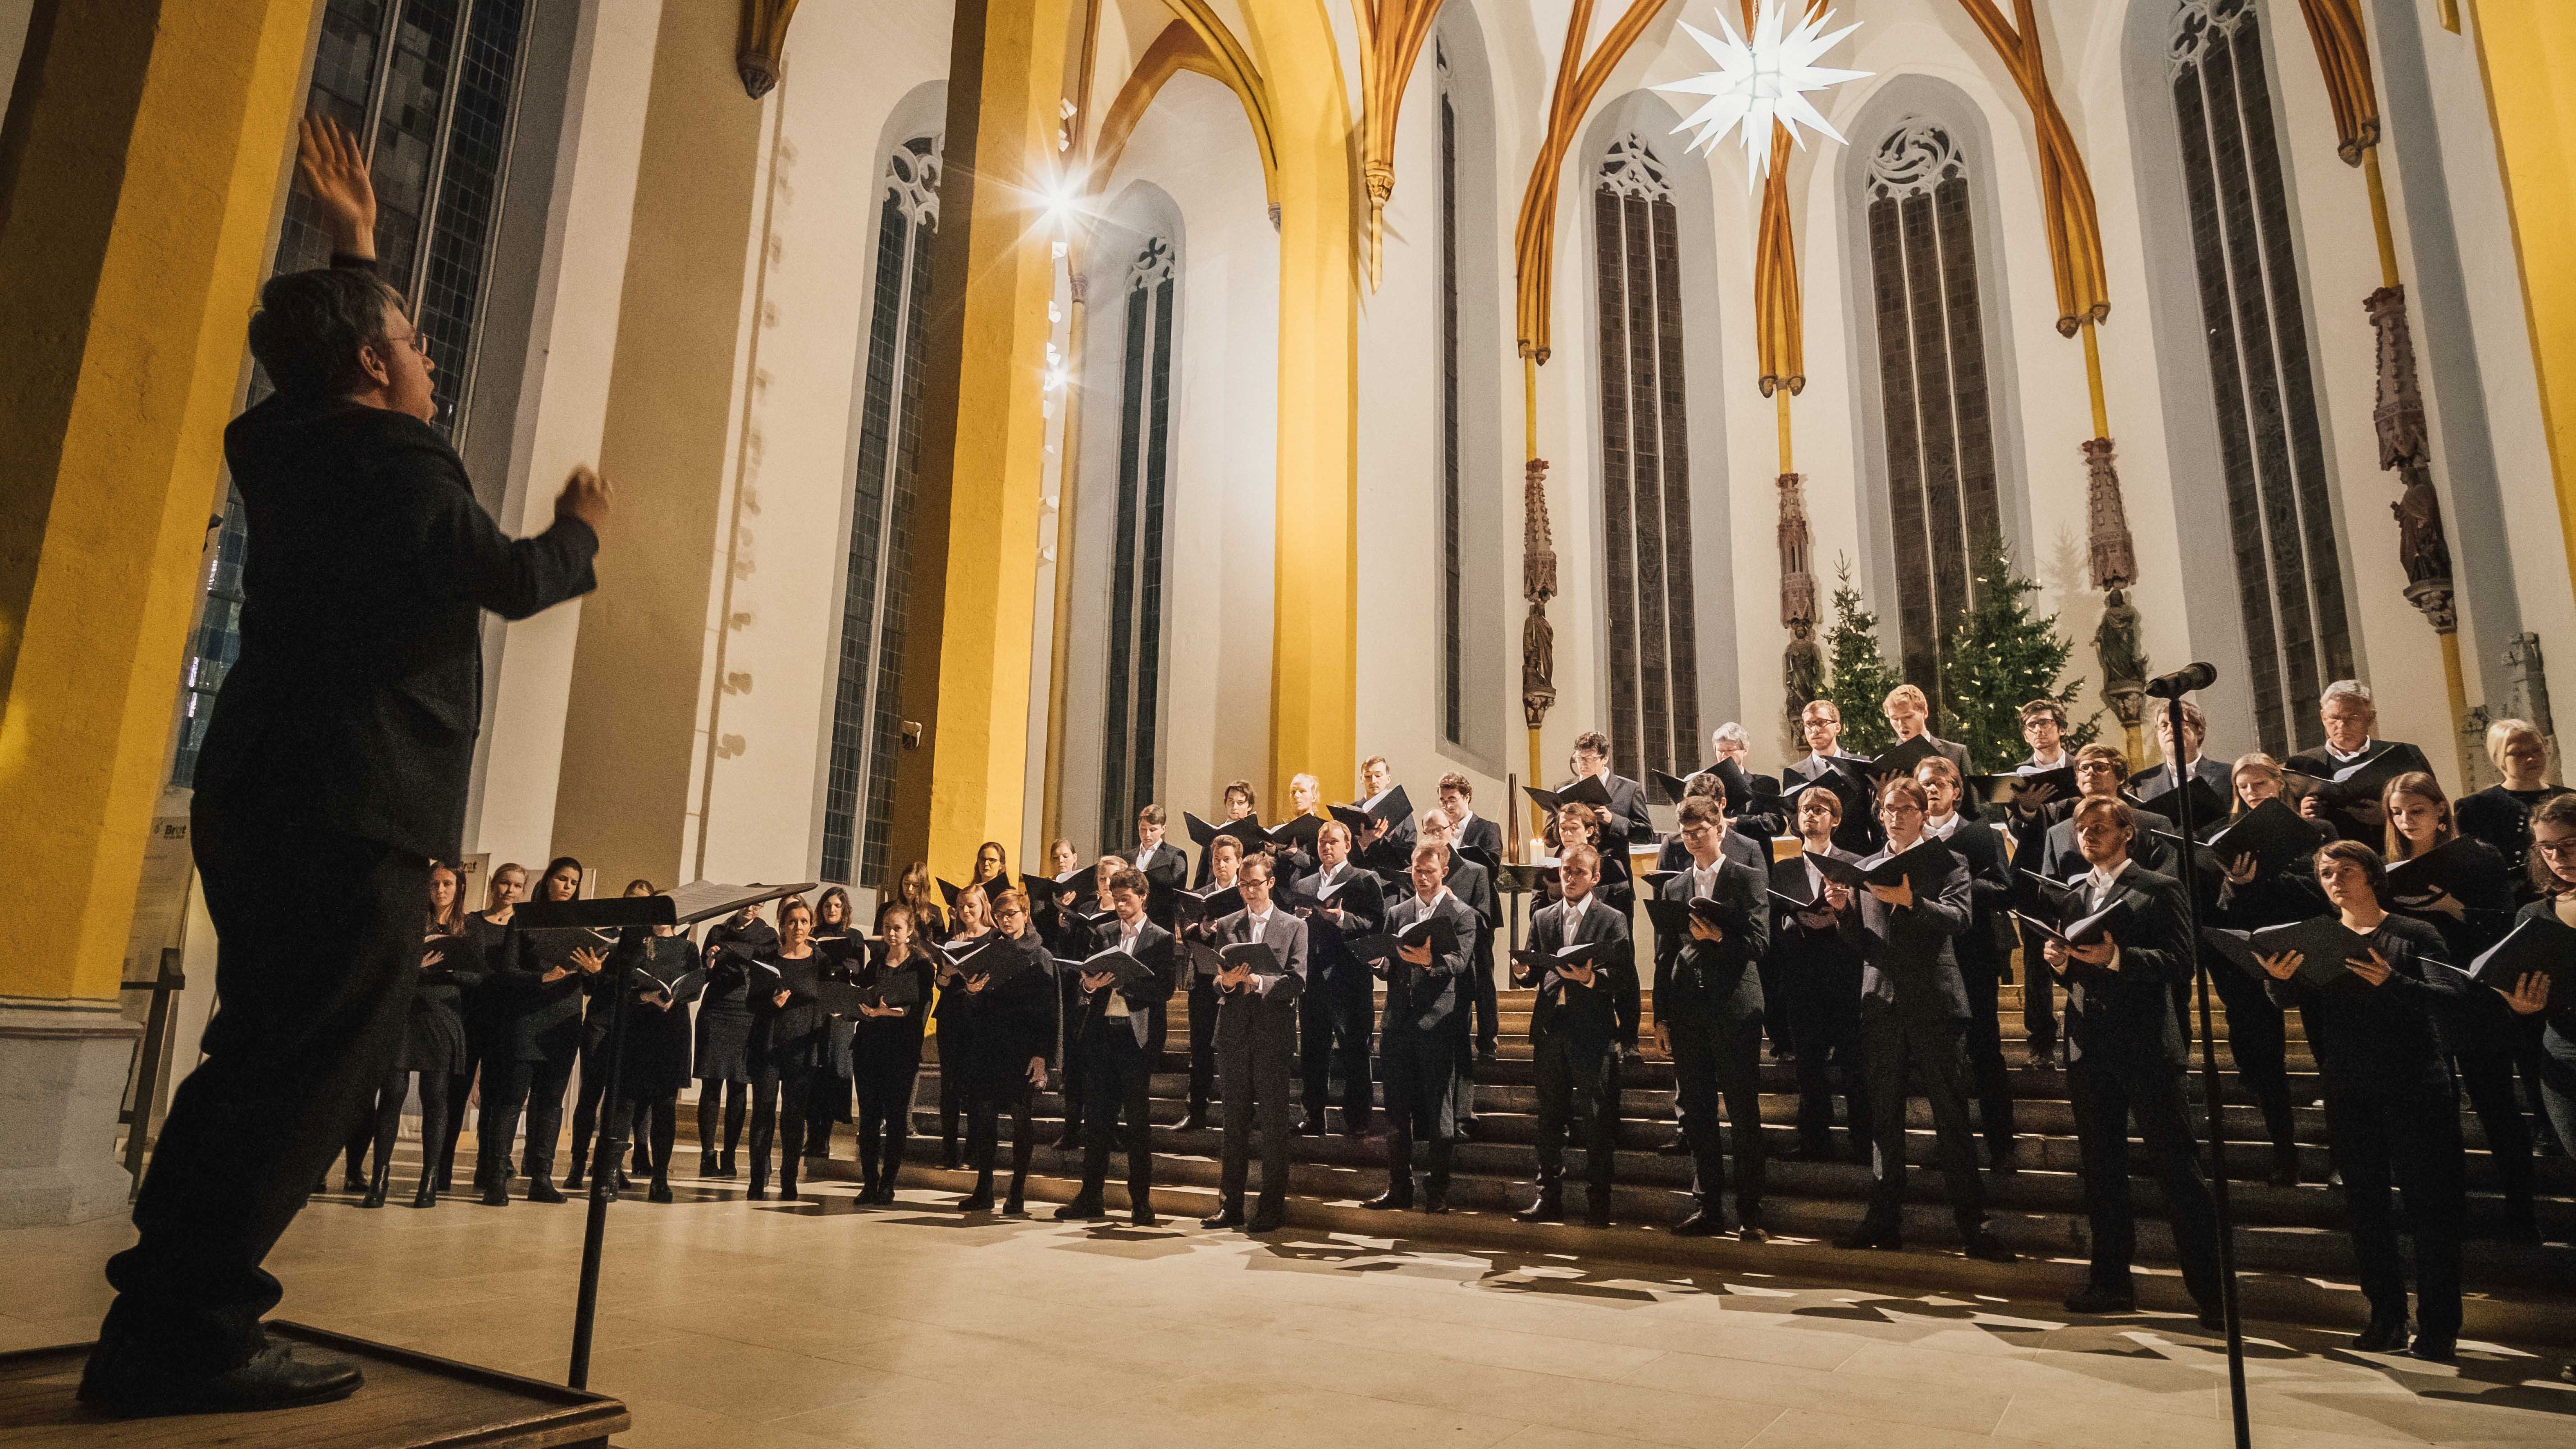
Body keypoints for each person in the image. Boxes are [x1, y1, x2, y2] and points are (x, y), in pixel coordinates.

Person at [82, 114, 609, 1418]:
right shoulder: (402, 457)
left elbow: (336, 379)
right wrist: (579, 529)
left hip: (259, 781)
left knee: (257, 1045)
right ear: (376, 364)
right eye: (416, 346)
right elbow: (511, 576)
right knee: (315, 1064)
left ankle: (165, 1302)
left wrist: (355, 245)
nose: (432, 363)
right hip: (357, 800)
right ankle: (190, 1326)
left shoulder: (288, 443)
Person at [2256, 841, 2471, 1360]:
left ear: (2372, 876)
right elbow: (2289, 998)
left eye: (2345, 870)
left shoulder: (2413, 933)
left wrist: (2394, 980)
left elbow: (2455, 999)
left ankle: (2438, 1325)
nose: (2334, 880)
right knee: (2366, 1207)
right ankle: (2386, 1317)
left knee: (2429, 1207)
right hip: (2349, 1085)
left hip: (2416, 1083)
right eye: (2325, 873)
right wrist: (2277, 980)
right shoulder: (2320, 938)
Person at [2039, 799, 2224, 1324]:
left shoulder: (2158, 888)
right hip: (2087, 1046)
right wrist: (2059, 964)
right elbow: (2073, 971)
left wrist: (2117, 958)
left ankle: (2212, 1295)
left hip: (2145, 1045)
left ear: (2128, 833)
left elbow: (2181, 960)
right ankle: (2110, 1283)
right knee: (2101, 1171)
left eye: (2099, 827)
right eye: (2081, 828)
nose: (2088, 834)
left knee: (2178, 1169)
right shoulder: (2073, 894)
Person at [1836, 778, 2015, 1262]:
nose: (1893, 816)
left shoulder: (1947, 861)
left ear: (1922, 812)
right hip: (1881, 1001)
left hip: (1936, 1002)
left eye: (1904, 808)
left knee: (1951, 1116)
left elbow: (1959, 919)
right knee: (1884, 1117)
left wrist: (1911, 900)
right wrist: (1842, 913)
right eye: (1887, 808)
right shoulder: (1866, 867)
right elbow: (1863, 944)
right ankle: (1882, 1219)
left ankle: (1973, 1226)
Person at [2381, 772, 2535, 1241]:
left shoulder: (2477, 857)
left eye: (2417, 810)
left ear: (2441, 810)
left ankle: (2522, 1212)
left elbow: (2505, 928)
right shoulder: (2387, 866)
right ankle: (2446, 1212)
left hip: (2473, 997)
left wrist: (2453, 908)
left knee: (2496, 1105)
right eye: (2397, 812)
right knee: (2431, 1114)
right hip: (2418, 997)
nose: (2406, 820)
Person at [2203, 754, 2325, 1187]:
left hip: (2306, 944)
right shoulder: (2225, 837)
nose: (2252, 792)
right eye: (2244, 786)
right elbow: (2220, 906)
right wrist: (2234, 885)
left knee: (2329, 1052)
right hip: (2253, 952)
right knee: (2262, 1057)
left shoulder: (2315, 831)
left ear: (2280, 783)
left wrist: (2264, 878)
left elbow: (2320, 892)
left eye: (2260, 783)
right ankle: (2284, 1151)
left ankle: (2340, 1155)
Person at [1651, 800, 1771, 1238]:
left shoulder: (1746, 877)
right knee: (1699, 1115)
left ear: (1719, 829)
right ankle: (1707, 1207)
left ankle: (1750, 1212)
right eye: (1685, 833)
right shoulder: (1676, 885)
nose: (1692, 839)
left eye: (1700, 831)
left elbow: (1760, 943)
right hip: (1688, 1011)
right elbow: (1665, 954)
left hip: (1735, 1008)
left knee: (1743, 1113)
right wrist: (1660, 1016)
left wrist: (1719, 935)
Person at [348, 864, 482, 1210]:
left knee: (435, 1097)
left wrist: (446, 966)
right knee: (392, 1094)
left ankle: (430, 1181)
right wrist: (414, 969)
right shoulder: (409, 923)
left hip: (442, 1017)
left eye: (448, 883)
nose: (440, 890)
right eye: (434, 884)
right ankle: (378, 1179)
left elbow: (477, 978)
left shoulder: (469, 928)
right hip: (404, 1016)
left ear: (460, 887)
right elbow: (382, 967)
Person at [1516, 846, 1633, 1227]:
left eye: (1579, 871)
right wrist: (1521, 971)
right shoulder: (1544, 915)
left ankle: (1598, 1202)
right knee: (1549, 1118)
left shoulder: (1612, 919)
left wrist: (1589, 978)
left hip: (1593, 1030)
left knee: (1597, 1119)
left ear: (1595, 877)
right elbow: (1535, 971)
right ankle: (1548, 1196)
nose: (1570, 877)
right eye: (1566, 870)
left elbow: (1624, 978)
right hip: (1551, 1028)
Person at [1055, 869, 1175, 1225]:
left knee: (1137, 1124)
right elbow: (1086, 982)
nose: (1120, 905)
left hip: (1136, 1039)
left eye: (1126, 899)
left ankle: (1141, 1202)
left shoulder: (1161, 938)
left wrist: (1127, 984)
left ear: (1143, 898)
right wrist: (1091, 986)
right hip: (1102, 1034)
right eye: (1115, 898)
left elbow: (1165, 989)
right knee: (1098, 1122)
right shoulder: (1103, 932)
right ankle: (1091, 1197)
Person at [1366, 844, 1480, 1214]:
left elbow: (1461, 961)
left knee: (1438, 1110)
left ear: (1443, 870)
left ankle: (1437, 1191)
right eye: (1417, 871)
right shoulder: (1398, 911)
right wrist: (1377, 961)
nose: (1423, 878)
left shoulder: (1462, 914)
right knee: (1396, 1112)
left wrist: (1431, 961)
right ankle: (1399, 1186)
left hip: (1437, 1022)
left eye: (1430, 871)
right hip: (1398, 1023)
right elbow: (1389, 965)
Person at [1918, 757, 2017, 1173]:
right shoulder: (1912, 836)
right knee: (1943, 1060)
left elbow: (2005, 889)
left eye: (1941, 783)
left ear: (1957, 791)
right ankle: (1952, 1143)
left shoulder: (1978, 833)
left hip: (1973, 955)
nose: (1932, 790)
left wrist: (1956, 881)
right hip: (1929, 959)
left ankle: (2002, 1146)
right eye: (1924, 784)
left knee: (1985, 1052)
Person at [480, 857, 594, 1207]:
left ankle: (541, 1178)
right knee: (511, 1099)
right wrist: (541, 978)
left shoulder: (583, 926)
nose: (568, 886)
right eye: (562, 879)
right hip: (527, 1019)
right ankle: (496, 1178)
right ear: (547, 881)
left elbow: (590, 986)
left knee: (550, 1103)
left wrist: (593, 971)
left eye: (574, 882)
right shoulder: (524, 918)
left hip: (563, 1022)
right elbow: (508, 970)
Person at [1203, 856, 1307, 1233]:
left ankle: (1271, 1207)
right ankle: (1229, 1204)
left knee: (1274, 1125)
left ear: (1271, 882)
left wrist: (1260, 983)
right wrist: (1228, 981)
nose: (1249, 890)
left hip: (1272, 1035)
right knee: (1234, 1123)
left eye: (1256, 883)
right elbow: (1216, 981)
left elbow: (1297, 980)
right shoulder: (1229, 924)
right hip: (1232, 1034)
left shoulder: (1294, 926)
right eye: (1244, 884)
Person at [1775, 786, 1870, 1163]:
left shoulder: (1854, 863)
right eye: (1804, 809)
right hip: (1802, 973)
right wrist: (1792, 919)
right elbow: (1773, 916)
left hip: (1845, 970)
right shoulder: (1784, 868)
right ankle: (1814, 1139)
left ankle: (1864, 1140)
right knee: (1808, 1064)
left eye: (1819, 809)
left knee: (1854, 1061)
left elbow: (1870, 916)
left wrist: (1841, 914)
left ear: (1837, 819)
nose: (1811, 815)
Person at [950, 888, 1055, 1214]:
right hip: (989, 1044)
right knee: (984, 1120)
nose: (1006, 920)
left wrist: (1042, 1055)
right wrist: (970, 991)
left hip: (1022, 1049)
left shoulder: (1041, 955)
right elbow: (975, 1005)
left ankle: (1017, 1192)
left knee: (1021, 1121)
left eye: (1012, 913)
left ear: (1025, 913)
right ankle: (984, 1189)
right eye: (1000, 915)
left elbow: (1049, 1011)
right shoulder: (989, 950)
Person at [1293, 820, 1384, 1138]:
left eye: (1333, 842)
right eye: (1321, 842)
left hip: (1350, 976)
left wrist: (1342, 918)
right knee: (1313, 1051)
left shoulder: (1363, 880)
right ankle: (1312, 1115)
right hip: (1314, 976)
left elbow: (1375, 924)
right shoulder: (1304, 884)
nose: (1326, 847)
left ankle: (1358, 1118)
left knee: (1355, 1049)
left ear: (1348, 845)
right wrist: (1300, 921)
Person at [444, 862, 525, 1194]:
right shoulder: (472, 922)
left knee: (494, 1100)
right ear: (494, 884)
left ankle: (487, 1169)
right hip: (469, 1017)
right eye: (505, 883)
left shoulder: (522, 927)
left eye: (517, 885)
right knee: (454, 1096)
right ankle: (441, 1170)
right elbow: (459, 964)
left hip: (504, 1021)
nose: (510, 890)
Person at [1416, 808, 1498, 1135]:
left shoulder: (1475, 871)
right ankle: (1435, 1117)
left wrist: (1453, 903)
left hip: (1461, 969)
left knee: (1459, 1044)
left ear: (1452, 831)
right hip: (1424, 972)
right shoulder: (1420, 871)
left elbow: (1485, 919)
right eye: (1428, 829)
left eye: (1439, 829)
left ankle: (1463, 1114)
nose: (1434, 834)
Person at [2505, 795, 2576, 1171]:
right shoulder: (2533, 915)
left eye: (2570, 844)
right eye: (2547, 847)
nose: (2559, 856)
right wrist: (2521, 1005)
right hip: (2564, 1050)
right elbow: (2526, 994)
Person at [745, 896, 832, 1201]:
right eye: (792, 921)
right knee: (763, 1115)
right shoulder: (767, 957)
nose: (798, 927)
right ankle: (758, 1179)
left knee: (794, 1117)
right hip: (769, 1043)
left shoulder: (820, 959)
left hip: (802, 1045)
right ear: (782, 924)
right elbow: (751, 1002)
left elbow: (827, 1000)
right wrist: (771, 1002)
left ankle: (789, 1179)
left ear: (811, 926)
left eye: (804, 921)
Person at [619, 881, 701, 1204]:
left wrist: (675, 995)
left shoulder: (687, 948)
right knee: (625, 1102)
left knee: (666, 1106)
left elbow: (695, 985)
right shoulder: (636, 941)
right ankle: (612, 1170)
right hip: (639, 1026)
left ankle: (660, 1177)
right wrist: (646, 995)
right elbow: (622, 985)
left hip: (672, 1028)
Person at [850, 904, 933, 1203]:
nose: (891, 933)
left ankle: (888, 1182)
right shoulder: (876, 964)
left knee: (896, 1119)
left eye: (897, 927)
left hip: (901, 1049)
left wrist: (890, 1011)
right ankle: (869, 1182)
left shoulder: (921, 965)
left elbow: (923, 1004)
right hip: (870, 1046)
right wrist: (859, 1007)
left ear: (910, 930)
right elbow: (864, 996)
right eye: (887, 927)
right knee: (869, 1119)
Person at [2009, 701, 2076, 1069]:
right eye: (2031, 726)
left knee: (2081, 947)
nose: (2038, 730)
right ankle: (2041, 1043)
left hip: (2077, 871)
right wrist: (2028, 810)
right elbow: (2016, 830)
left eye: (2045, 723)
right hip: (2034, 876)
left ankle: (2084, 1034)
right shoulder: (2018, 775)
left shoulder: (2082, 766)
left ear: (2061, 728)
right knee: (2037, 962)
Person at [2285, 679, 2434, 842]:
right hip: (2334, 859)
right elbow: (2288, 831)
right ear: (2323, 717)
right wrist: (2304, 816)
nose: (2342, 725)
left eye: (2352, 718)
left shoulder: (2405, 755)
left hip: (2395, 852)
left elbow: (2436, 808)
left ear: (2370, 718)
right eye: (2334, 718)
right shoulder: (2301, 765)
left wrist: (2389, 815)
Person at [694, 901, 774, 1178]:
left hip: (746, 1010)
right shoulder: (718, 931)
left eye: (759, 905)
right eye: (749, 904)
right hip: (715, 1008)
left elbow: (765, 965)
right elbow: (703, 975)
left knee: (739, 1086)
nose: (752, 909)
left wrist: (737, 954)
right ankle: (707, 1156)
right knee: (711, 1083)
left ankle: (729, 1156)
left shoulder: (766, 935)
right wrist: (710, 962)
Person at [2457, 718, 2570, 901]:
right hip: (2509, 907)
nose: (2532, 758)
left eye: (2537, 749)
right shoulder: (2476, 807)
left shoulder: (2568, 799)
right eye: (2518, 753)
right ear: (2498, 760)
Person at [1175, 835, 1245, 1131]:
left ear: (1239, 862)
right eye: (1216, 859)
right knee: (1200, 1047)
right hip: (1204, 980)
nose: (1221, 865)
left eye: (1227, 859)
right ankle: (1196, 1110)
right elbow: (1185, 932)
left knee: (1237, 1049)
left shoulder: (1247, 893)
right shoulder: (1199, 895)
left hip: (1239, 980)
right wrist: (1203, 928)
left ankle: (1240, 1113)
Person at [1440, 773, 1506, 1064]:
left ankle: (1488, 1037)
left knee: (1482, 976)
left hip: (1479, 910)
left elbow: (1492, 866)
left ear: (1467, 797)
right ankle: (1459, 1035)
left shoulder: (1487, 828)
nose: (1447, 806)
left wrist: (1459, 852)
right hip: (1449, 914)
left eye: (1452, 800)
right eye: (1443, 801)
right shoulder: (1440, 830)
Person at [930, 884, 995, 1168]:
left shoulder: (994, 938)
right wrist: (946, 973)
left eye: (972, 905)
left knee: (975, 1087)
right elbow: (941, 984)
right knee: (950, 1086)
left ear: (983, 906)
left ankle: (973, 1152)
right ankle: (948, 1151)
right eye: (962, 906)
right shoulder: (950, 939)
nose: (966, 911)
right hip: (952, 1016)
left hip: (980, 1018)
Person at [1785, 701, 1881, 855]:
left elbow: (1872, 818)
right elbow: (1795, 824)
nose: (1815, 730)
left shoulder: (1859, 765)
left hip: (1859, 854)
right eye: (1809, 724)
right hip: (1817, 855)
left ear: (1837, 727)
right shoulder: (1794, 772)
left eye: (1821, 723)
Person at [2132, 698, 2231, 803]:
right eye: (2164, 725)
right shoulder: (2141, 782)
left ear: (2200, 732)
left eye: (2179, 723)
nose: (2171, 730)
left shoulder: (2228, 775)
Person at [1128, 804, 1191, 928]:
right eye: (1143, 829)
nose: (1147, 835)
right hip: (1131, 920)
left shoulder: (1175, 856)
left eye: (1153, 830)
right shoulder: (1128, 857)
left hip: (1161, 921)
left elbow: (1178, 892)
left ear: (1163, 829)